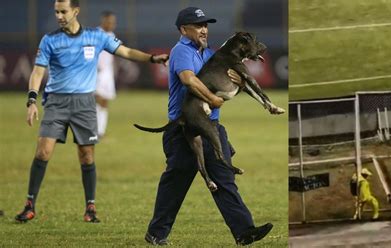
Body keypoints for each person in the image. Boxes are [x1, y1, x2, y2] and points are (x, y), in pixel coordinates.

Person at [15, 0, 168, 223]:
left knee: (86, 156)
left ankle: (90, 208)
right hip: (56, 103)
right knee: (43, 152)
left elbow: (125, 51)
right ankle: (29, 205)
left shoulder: (96, 37)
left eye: (63, 11)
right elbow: (38, 72)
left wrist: (152, 58)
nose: (59, 16)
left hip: (84, 104)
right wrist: (31, 100)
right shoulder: (49, 40)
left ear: (75, 11)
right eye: (56, 11)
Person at [144, 7, 272, 246]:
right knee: (176, 183)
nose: (204, 29)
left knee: (224, 179)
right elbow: (188, 80)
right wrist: (213, 100)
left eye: (205, 24)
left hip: (211, 125)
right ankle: (156, 233)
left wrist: (238, 80)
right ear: (183, 29)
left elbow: (226, 82)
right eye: (198, 25)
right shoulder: (181, 51)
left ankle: (244, 232)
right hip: (184, 128)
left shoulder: (209, 53)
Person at [95, 11, 117, 138]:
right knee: (97, 100)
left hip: (107, 73)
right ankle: (94, 130)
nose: (112, 24)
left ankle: (101, 131)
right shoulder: (96, 34)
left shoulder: (112, 35)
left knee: (105, 102)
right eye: (109, 22)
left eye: (113, 22)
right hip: (97, 72)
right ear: (103, 21)